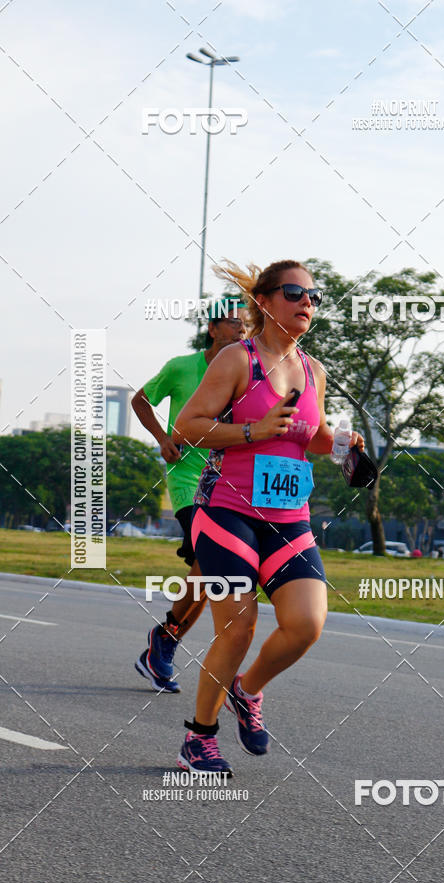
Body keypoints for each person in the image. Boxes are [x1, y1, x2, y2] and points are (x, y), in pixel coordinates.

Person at [174, 259, 364, 773]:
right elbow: (188, 426)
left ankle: (247, 690)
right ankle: (198, 737)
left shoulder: (312, 370)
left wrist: (342, 443)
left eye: (314, 297)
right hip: (226, 512)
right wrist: (253, 431)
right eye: (295, 293)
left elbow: (313, 436)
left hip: (288, 517)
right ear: (264, 301)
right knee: (237, 629)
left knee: (306, 624)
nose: (308, 303)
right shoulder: (238, 360)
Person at [132, 299, 247, 692]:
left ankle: (164, 639)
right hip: (186, 481)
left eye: (247, 324)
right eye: (234, 323)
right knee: (207, 566)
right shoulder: (181, 368)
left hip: (227, 483)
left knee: (210, 574)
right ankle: (164, 641)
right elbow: (141, 399)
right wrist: (163, 439)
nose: (242, 330)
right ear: (213, 329)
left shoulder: (247, 370)